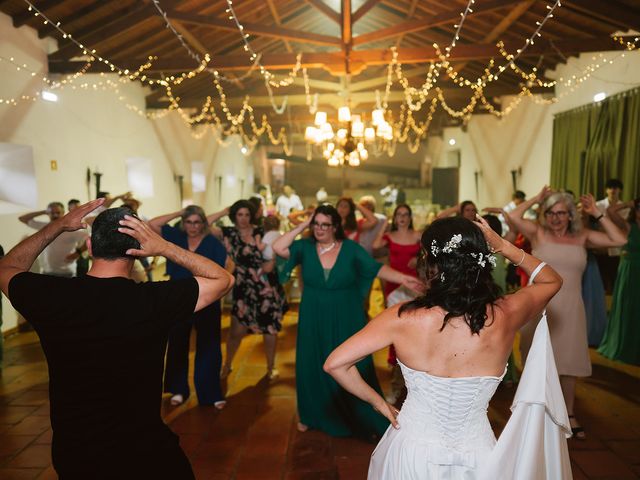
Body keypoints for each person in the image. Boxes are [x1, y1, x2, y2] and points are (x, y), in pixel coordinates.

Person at [0, 201, 234, 479]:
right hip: (144, 453)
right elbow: (223, 279)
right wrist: (164, 247)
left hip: (77, 453)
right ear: (136, 251)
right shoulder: (153, 301)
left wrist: (58, 226)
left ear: (89, 247)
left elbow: (7, 267)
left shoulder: (51, 296)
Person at [323, 216, 564, 479]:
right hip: (478, 456)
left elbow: (335, 364)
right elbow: (551, 281)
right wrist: (504, 246)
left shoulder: (402, 317)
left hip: (412, 451)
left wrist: (379, 404)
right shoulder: (505, 314)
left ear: (431, 264)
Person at [272, 204, 423, 438]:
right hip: (313, 314)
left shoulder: (351, 249)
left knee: (353, 362)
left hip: (346, 313)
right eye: (316, 224)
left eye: (325, 224)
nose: (320, 229)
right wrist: (303, 224)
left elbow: (375, 268)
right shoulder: (304, 247)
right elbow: (278, 246)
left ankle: (361, 414)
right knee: (311, 361)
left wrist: (403, 277)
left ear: (335, 227)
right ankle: (311, 415)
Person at [504, 186, 627, 438]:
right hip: (540, 307)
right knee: (536, 361)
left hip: (571, 307)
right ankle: (530, 414)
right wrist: (536, 199)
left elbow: (620, 239)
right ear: (544, 214)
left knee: (569, 363)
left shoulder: (582, 236)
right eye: (550, 212)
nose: (556, 218)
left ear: (570, 215)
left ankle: (568, 413)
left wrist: (597, 212)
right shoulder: (538, 233)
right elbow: (514, 217)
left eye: (561, 213)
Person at [149, 206, 233, 408]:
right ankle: (178, 389)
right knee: (177, 343)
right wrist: (180, 211)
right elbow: (153, 224)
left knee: (209, 345)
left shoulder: (212, 242)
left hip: (207, 298)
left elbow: (227, 265)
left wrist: (226, 284)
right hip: (179, 298)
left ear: (203, 223)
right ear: (183, 222)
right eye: (188, 221)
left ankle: (210, 393)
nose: (192, 226)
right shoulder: (175, 237)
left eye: (197, 222)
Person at [211, 200, 287, 380]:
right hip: (243, 287)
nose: (243, 219)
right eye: (239, 214)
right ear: (234, 216)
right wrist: (224, 210)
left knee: (270, 329)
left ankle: (270, 367)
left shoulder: (262, 231)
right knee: (236, 331)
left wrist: (273, 261)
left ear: (251, 215)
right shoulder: (227, 233)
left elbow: (277, 250)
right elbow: (203, 224)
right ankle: (227, 364)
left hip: (266, 286)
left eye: (247, 214)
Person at [372, 204, 422, 403]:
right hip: (393, 287)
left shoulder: (418, 235)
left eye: (405, 215)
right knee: (395, 330)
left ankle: (412, 377)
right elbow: (375, 247)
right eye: (398, 215)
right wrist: (384, 224)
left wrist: (419, 258)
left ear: (410, 217)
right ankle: (396, 377)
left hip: (415, 286)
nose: (402, 218)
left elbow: (433, 253)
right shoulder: (389, 236)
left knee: (415, 330)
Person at [598, 198, 640, 365]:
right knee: (628, 306)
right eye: (638, 208)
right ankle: (624, 345)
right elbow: (610, 212)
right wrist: (627, 204)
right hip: (629, 271)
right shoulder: (629, 226)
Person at [19, 202, 88, 277]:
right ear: (48, 213)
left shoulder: (72, 229)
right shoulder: (44, 226)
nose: (55, 215)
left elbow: (90, 239)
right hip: (46, 272)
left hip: (67, 273)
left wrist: (78, 252)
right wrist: (44, 212)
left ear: (63, 212)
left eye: (58, 212)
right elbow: (22, 219)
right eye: (52, 213)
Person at [595, 179, 628, 293]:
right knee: (600, 281)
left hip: (617, 249)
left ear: (620, 190)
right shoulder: (598, 205)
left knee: (615, 280)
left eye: (615, 188)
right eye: (610, 188)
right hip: (600, 248)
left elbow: (624, 228)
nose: (612, 190)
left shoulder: (624, 207)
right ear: (606, 190)